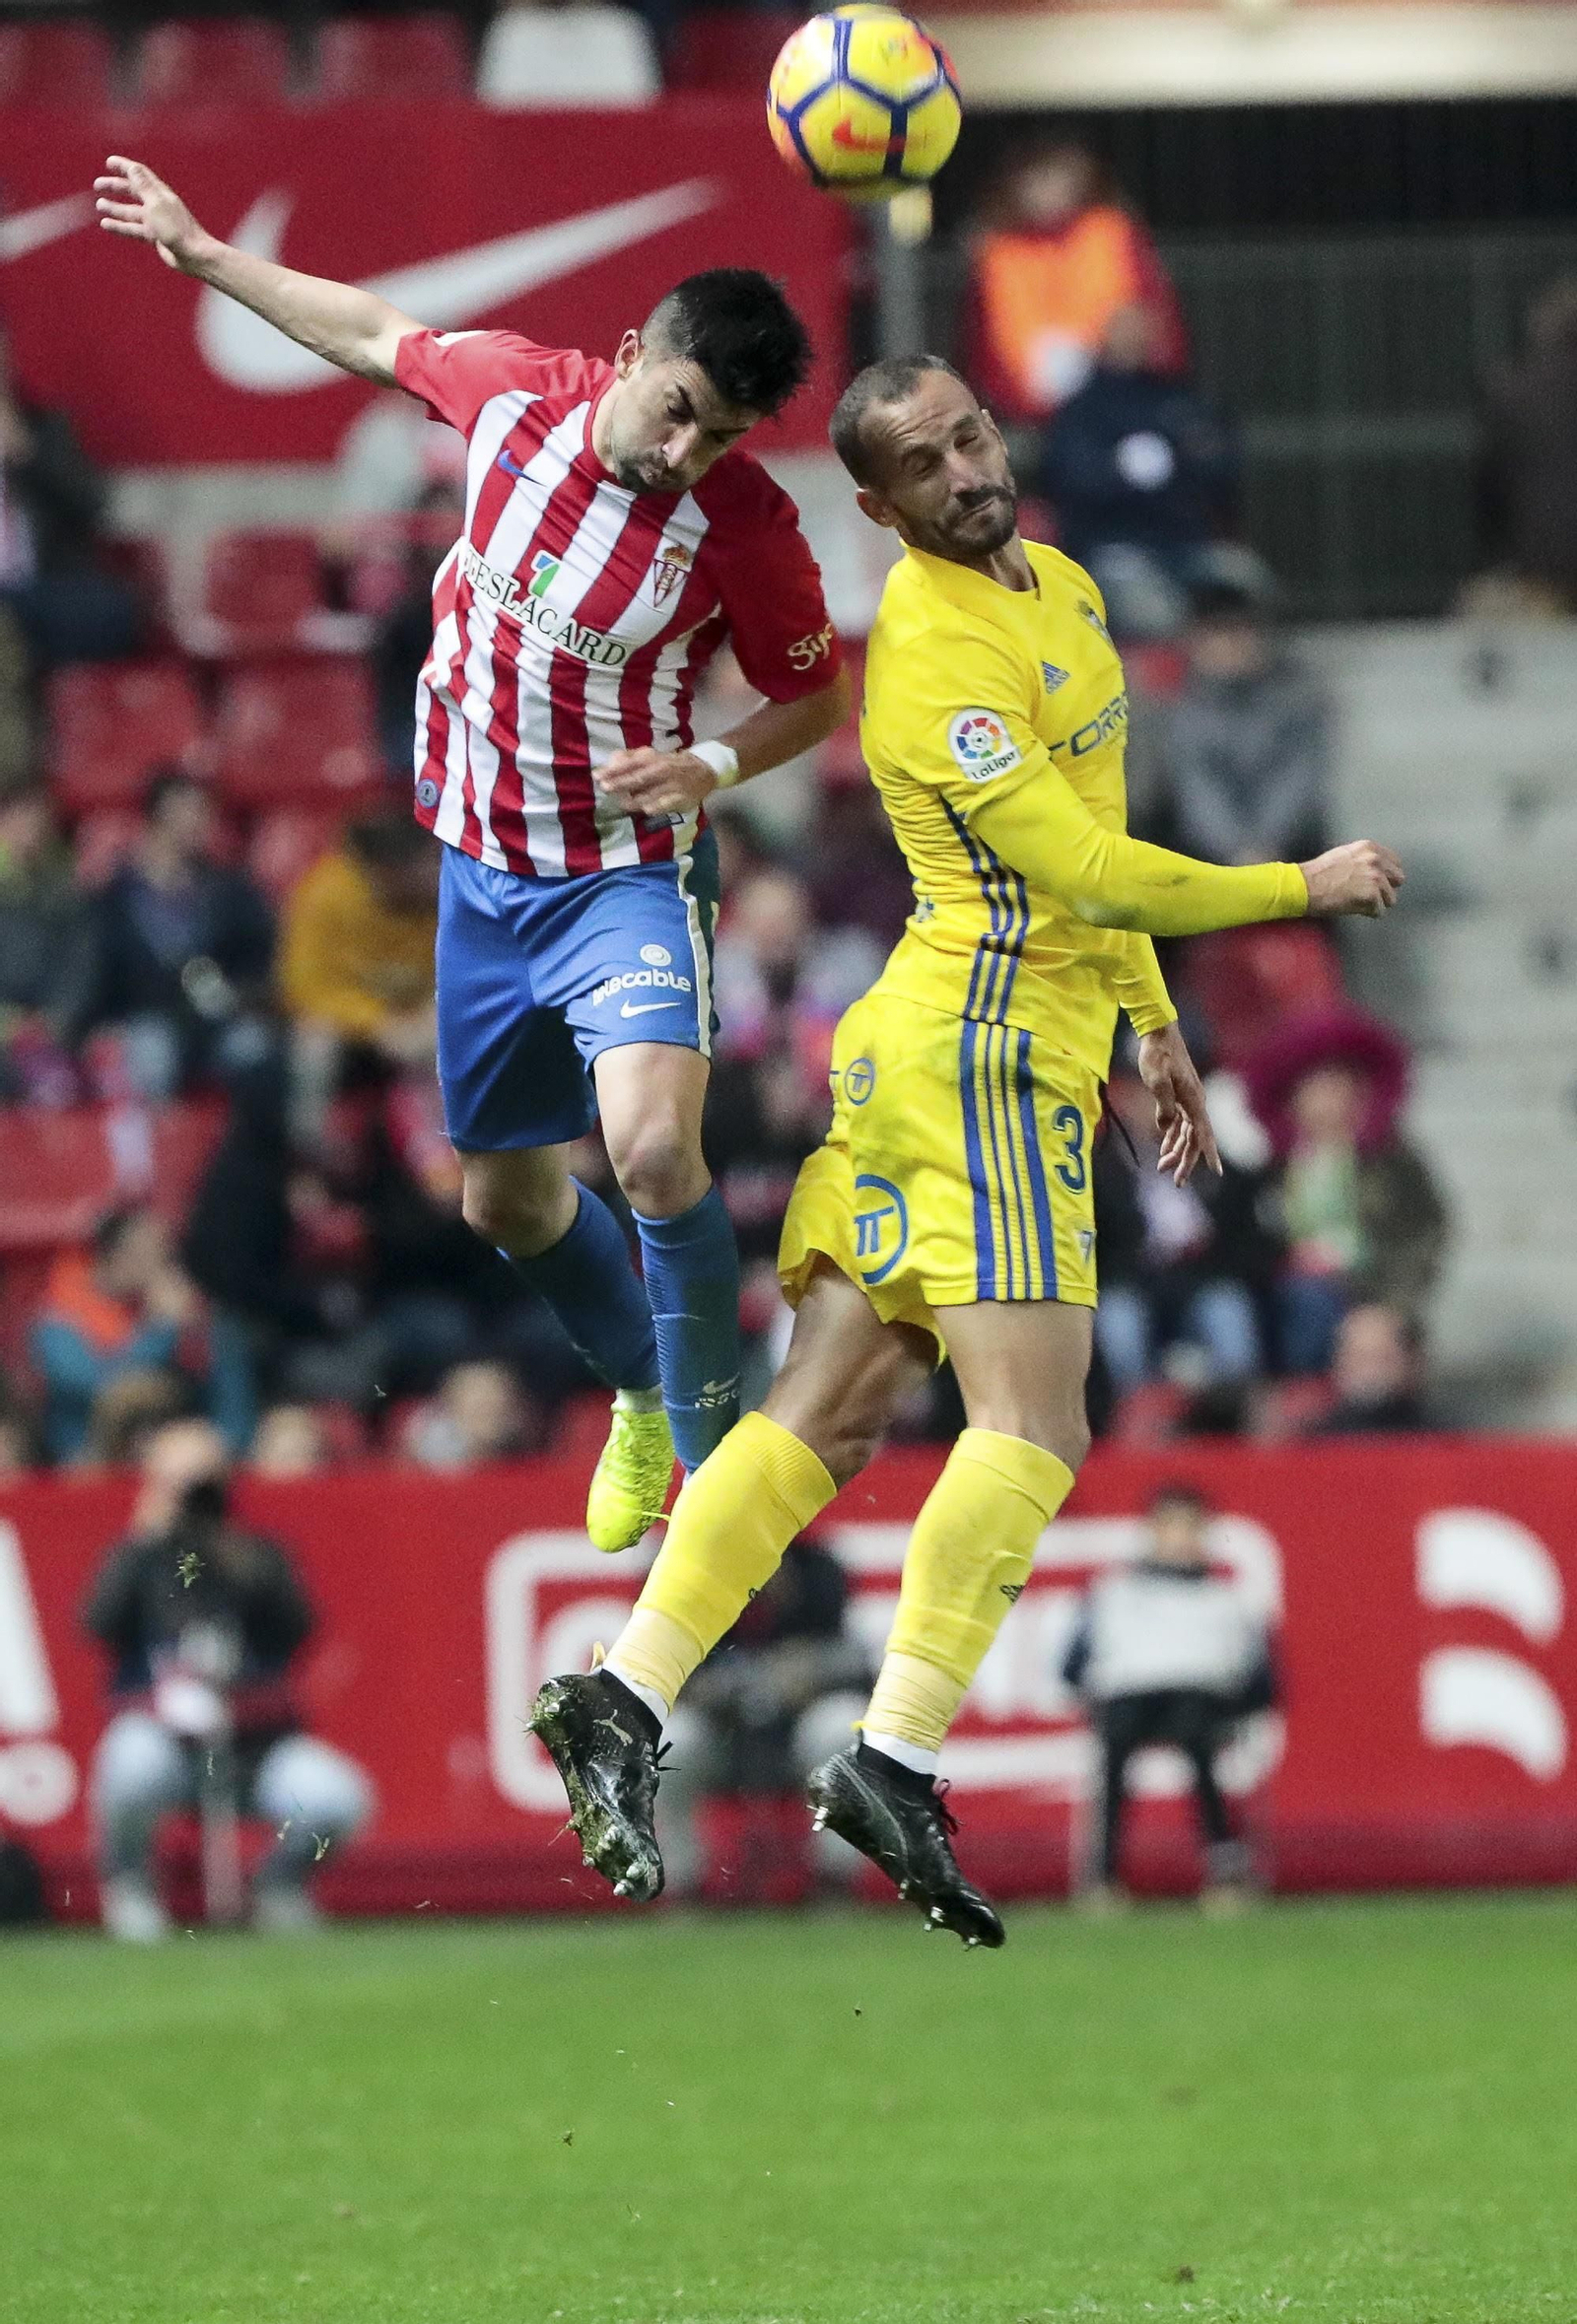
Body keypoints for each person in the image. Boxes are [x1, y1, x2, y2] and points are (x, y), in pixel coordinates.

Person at [525, 352, 1403, 1945]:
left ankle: (622, 1691)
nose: (966, 469)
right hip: (984, 1054)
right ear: (879, 506)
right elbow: (1079, 862)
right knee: (1037, 1422)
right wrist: (1297, 885)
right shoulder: (930, 654)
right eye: (925, 465)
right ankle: (894, 1749)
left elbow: (1103, 824)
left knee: (840, 1408)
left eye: (972, 435)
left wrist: (1156, 1032)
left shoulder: (1060, 585)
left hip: (974, 1037)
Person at [97, 155, 851, 1554]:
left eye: (720, 437)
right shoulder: (512, 391)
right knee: (502, 1195)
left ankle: (710, 1464)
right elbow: (372, 330)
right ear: (635, 356)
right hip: (483, 877)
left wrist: (717, 762)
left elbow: (817, 692)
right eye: (681, 411)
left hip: (625, 874)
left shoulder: (746, 532)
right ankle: (637, 1387)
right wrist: (206, 255)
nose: (686, 453)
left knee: (650, 1150)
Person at [84, 1418, 374, 1940]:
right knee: (128, 1764)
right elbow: (97, 1624)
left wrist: (231, 1555)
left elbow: (297, 1628)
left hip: (254, 1748)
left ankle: (280, 1885)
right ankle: (130, 1885)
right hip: (168, 1745)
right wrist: (144, 1539)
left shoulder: (255, 1553)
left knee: (336, 1797)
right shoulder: (141, 1558)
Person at [1062, 1482, 1276, 1911]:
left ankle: (1225, 1870)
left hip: (1201, 1701)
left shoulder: (1226, 1600)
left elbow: (1260, 1677)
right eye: (1171, 1528)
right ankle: (1103, 1878)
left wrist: (1237, 1702)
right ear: (1152, 1531)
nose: (1181, 1539)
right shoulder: (1114, 1594)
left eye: (1191, 1528)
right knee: (1115, 1747)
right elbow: (1074, 1665)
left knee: (1198, 1736)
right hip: (1128, 1699)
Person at [654, 1533, 874, 1899]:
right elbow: (655, 1670)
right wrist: (713, 1687)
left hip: (798, 1735)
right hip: (723, 1736)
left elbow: (859, 1667)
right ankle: (683, 1889)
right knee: (671, 1741)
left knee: (842, 1726)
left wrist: (811, 1671)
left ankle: (835, 1884)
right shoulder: (686, 1570)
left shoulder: (819, 1570)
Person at [1247, 1009, 1449, 1375]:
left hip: (1369, 1296)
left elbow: (1425, 1235)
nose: (1327, 1097)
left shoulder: (1392, 1160)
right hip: (1288, 1299)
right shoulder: (1269, 1168)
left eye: (1337, 1083)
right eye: (1315, 1085)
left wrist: (1388, 1308)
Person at [1040, 305, 1246, 644]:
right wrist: (1119, 473)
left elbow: (1217, 465)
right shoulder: (1081, 410)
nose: (1135, 340)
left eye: (1142, 331)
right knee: (1152, 612)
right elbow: (1070, 479)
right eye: (1125, 331)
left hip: (1185, 545)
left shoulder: (1176, 399)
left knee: (1239, 582)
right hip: (1114, 548)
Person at [67, 767, 275, 1099]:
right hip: (146, 1020)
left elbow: (256, 956)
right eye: (192, 809)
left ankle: (247, 1148)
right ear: (160, 812)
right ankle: (158, 1149)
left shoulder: (228, 889)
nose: (203, 822)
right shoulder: (114, 898)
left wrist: (241, 994)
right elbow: (93, 969)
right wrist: (95, 1023)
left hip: (215, 1020)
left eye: (205, 812)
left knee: (253, 1045)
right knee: (151, 1051)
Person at [965, 143, 1187, 430]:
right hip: (1027, 412)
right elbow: (984, 351)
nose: (1048, 191)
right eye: (1038, 180)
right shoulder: (995, 252)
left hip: (1118, 394)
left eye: (1056, 177)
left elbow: (1157, 318)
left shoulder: (1112, 232)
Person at [0, 316, 140, 670]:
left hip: (42, 590)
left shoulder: (45, 428)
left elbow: (93, 507)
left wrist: (27, 454)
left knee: (109, 611)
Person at [1164, 582, 1331, 866]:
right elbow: (1197, 791)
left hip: (1294, 853)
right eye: (1216, 633)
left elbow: (1298, 781)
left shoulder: (1299, 698)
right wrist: (1236, 851)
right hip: (1211, 860)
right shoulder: (1183, 707)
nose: (1228, 645)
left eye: (1239, 631)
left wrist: (1265, 846)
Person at [33, 1204, 205, 1463]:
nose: (165, 1263)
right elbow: (105, 1388)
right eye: (153, 1250)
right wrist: (161, 1329)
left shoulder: (166, 1307)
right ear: (117, 1255)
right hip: (81, 1457)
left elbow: (208, 1388)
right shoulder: (59, 1315)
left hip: (163, 1450)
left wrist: (197, 1331)